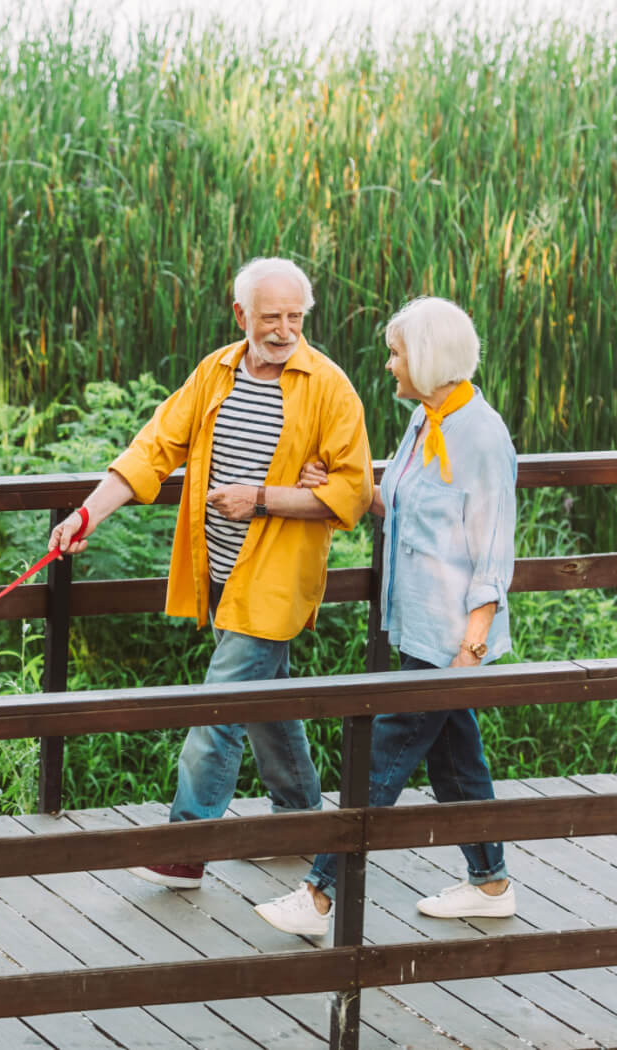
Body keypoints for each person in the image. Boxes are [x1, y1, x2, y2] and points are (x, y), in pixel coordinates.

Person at [48, 257, 374, 889]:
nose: (285, 330)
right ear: (240, 315)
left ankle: (186, 843)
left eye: (295, 317)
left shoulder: (330, 388)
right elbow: (152, 449)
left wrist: (264, 498)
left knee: (219, 705)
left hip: (277, 577)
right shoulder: (215, 372)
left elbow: (354, 494)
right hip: (217, 569)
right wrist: (89, 514)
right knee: (264, 701)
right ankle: (302, 819)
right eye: (271, 317)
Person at [254, 296, 518, 937]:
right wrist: (336, 486)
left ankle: (318, 896)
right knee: (456, 762)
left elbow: (493, 548)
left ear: (426, 358)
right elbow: (401, 505)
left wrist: (472, 647)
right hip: (416, 625)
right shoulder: (426, 420)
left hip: (450, 639)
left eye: (397, 352)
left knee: (380, 760)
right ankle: (490, 882)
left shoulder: (480, 435)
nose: (389, 363)